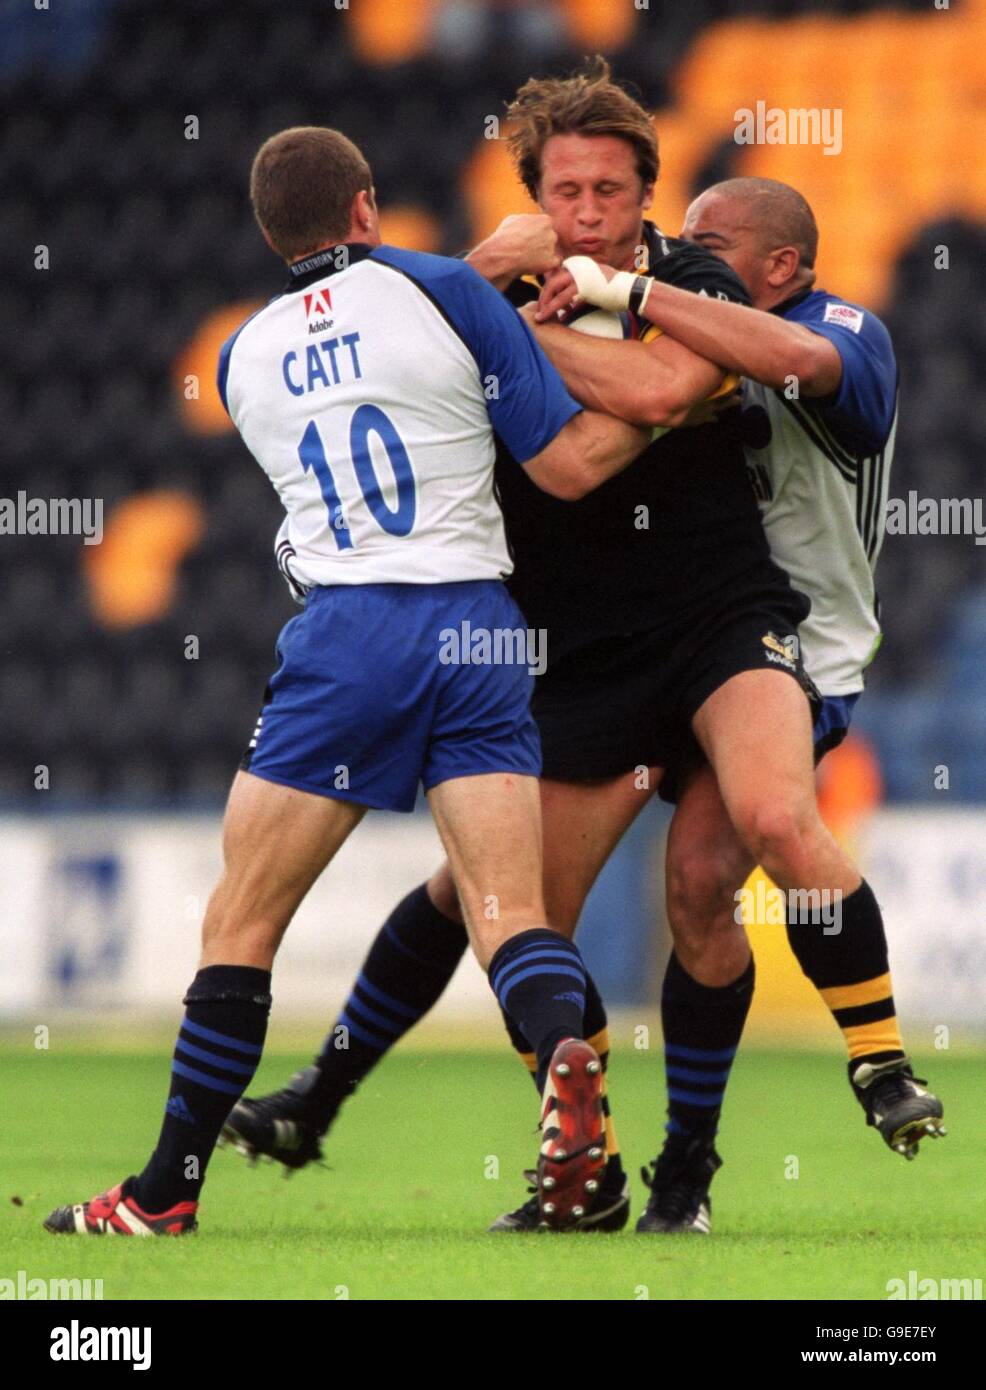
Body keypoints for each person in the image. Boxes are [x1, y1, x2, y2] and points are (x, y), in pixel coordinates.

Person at [221, 62, 824, 1237]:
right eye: (566, 192)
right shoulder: (462, 294)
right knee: (492, 904)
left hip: (704, 627)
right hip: (570, 647)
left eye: (610, 189)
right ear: (530, 198)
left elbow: (651, 396)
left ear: (648, 194)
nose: (588, 211)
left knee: (708, 887)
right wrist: (484, 292)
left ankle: (688, 1178)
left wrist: (501, 324)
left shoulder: (689, 280)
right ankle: (482, 1142)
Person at [43, 124, 655, 1237]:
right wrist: (674, 399)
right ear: (368, 207)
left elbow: (365, 340)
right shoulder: (445, 292)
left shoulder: (240, 355)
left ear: (270, 232)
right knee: (511, 915)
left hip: (350, 631)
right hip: (478, 626)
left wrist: (462, 279)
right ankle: (578, 1100)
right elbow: (563, 463)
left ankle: (163, 1192)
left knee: (241, 921)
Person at [532, 172, 945, 1228]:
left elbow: (801, 366)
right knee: (599, 898)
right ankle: (648, 1168)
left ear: (782, 267)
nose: (686, 254)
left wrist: (632, 295)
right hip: (666, 637)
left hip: (798, 645)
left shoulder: (835, 327)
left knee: (721, 858)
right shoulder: (673, 350)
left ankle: (863, 1070)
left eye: (710, 243)